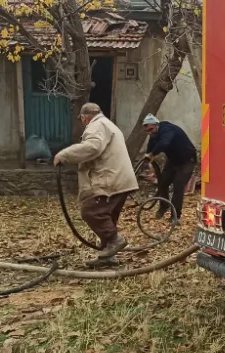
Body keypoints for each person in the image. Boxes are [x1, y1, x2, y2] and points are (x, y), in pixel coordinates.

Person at [54, 102, 138, 266]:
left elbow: (93, 147)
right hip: (120, 179)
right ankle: (107, 257)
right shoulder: (109, 125)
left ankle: (115, 240)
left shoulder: (96, 126)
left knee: (91, 211)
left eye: (82, 119)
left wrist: (63, 155)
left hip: (109, 179)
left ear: (85, 118)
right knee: (108, 217)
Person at [141, 113, 196, 221]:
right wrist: (148, 160)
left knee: (178, 186)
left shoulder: (167, 129)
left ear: (157, 125)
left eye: (151, 129)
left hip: (187, 160)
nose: (149, 132)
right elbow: (150, 150)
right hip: (173, 160)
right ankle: (164, 206)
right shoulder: (153, 135)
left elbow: (164, 143)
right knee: (162, 183)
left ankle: (175, 216)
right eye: (147, 131)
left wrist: (152, 154)